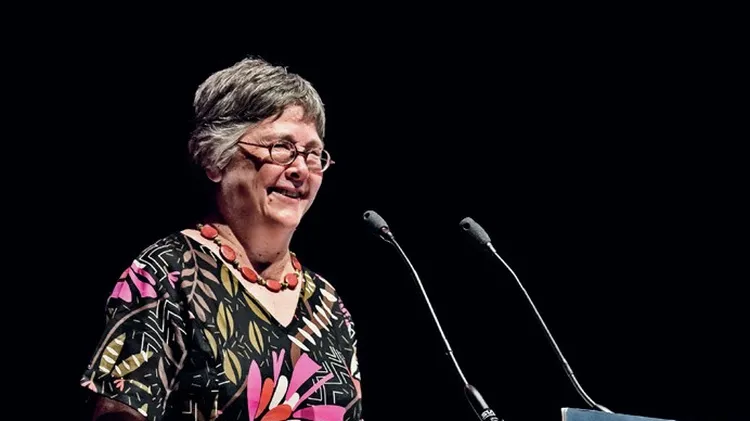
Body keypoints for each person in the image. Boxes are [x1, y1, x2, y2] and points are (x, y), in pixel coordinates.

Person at [80, 56, 363, 421]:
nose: (299, 169)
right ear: (215, 158)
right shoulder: (168, 274)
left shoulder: (327, 304)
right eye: (281, 148)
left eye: (312, 154)